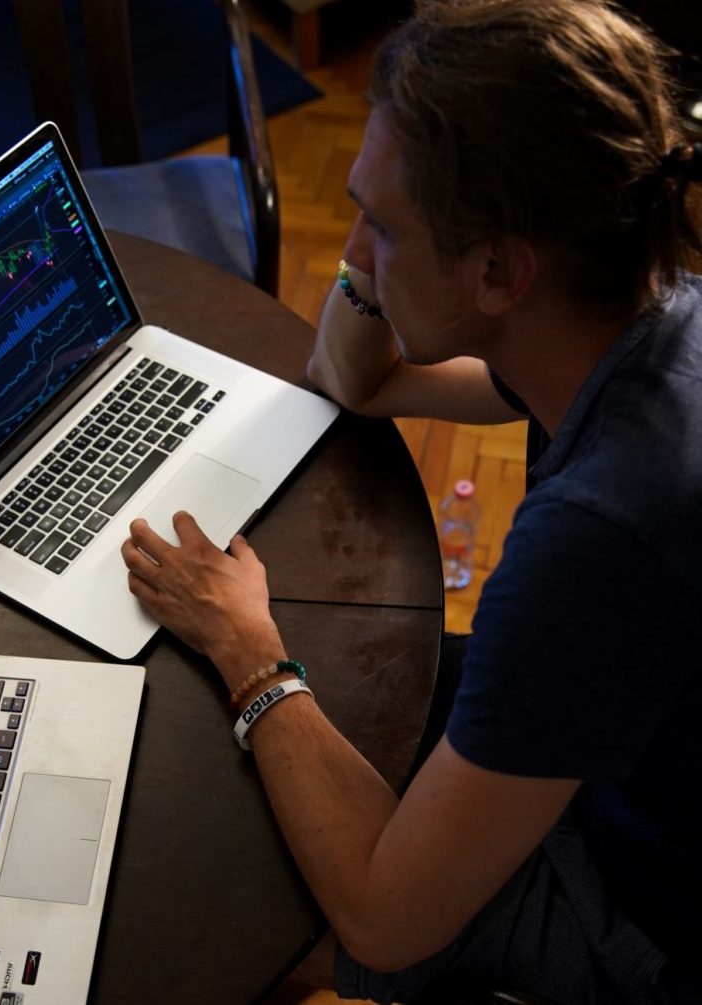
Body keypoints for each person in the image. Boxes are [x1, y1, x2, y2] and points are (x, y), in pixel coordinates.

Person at [120, 1, 702, 1001]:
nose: (356, 243)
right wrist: (375, 242)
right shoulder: (639, 314)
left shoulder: (594, 539)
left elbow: (387, 924)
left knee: (258, 896)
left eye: (382, 226)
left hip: (645, 917)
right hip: (639, 749)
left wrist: (248, 652)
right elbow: (360, 383)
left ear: (497, 271)